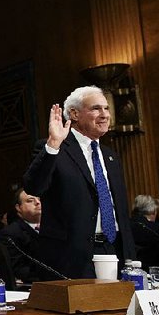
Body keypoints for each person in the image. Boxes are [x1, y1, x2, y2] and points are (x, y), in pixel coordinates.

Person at [23, 86, 135, 279]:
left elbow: (121, 211)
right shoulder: (53, 147)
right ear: (74, 113)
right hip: (71, 257)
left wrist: (129, 255)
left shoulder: (110, 156)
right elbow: (34, 186)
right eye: (96, 108)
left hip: (113, 249)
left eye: (106, 109)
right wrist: (53, 145)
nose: (105, 115)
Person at [0, 189, 42, 284]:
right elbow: (19, 270)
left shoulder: (56, 230)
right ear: (18, 207)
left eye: (39, 199)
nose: (38, 202)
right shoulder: (9, 234)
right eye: (30, 200)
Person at [129, 194, 159, 269]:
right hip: (152, 269)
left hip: (130, 266)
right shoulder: (157, 229)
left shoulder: (126, 226)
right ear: (153, 211)